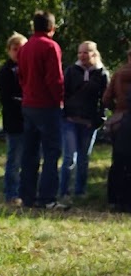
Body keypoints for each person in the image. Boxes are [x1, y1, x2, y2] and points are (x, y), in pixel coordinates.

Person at [17, 11, 64, 209]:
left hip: (28, 104)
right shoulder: (50, 46)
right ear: (52, 28)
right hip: (46, 105)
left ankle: (27, 196)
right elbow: (55, 78)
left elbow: (21, 75)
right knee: (52, 152)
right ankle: (47, 198)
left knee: (29, 152)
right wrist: (60, 100)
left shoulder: (25, 47)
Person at [60, 41, 109, 202]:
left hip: (89, 122)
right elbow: (63, 93)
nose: (82, 55)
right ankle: (64, 191)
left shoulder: (101, 74)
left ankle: (80, 191)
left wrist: (98, 120)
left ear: (94, 54)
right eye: (80, 53)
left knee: (83, 158)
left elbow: (105, 100)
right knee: (69, 157)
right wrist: (64, 113)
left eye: (85, 52)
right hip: (70, 120)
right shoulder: (71, 71)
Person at [0, 32, 26, 205]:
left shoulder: (31, 68)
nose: (18, 53)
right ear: (9, 51)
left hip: (31, 121)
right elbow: (6, 98)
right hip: (14, 121)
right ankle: (11, 193)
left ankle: (26, 191)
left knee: (29, 159)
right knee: (14, 159)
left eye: (22, 49)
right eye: (15, 49)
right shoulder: (5, 72)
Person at [102, 48, 131, 211]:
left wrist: (116, 110)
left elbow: (106, 98)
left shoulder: (119, 74)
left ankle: (114, 199)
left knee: (118, 161)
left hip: (120, 121)